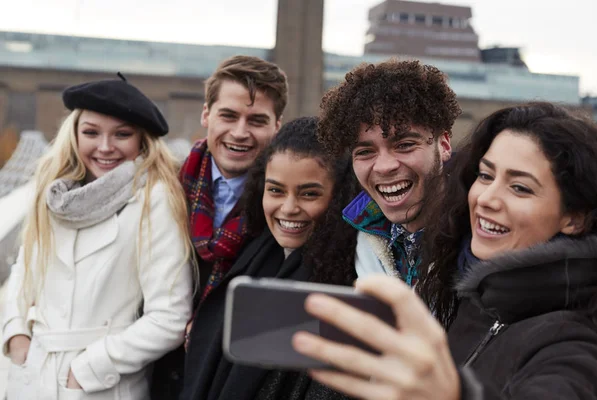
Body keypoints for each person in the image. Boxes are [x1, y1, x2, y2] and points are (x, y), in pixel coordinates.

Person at [292, 102, 597, 399]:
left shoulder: (577, 342)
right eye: (486, 175)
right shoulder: (465, 294)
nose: (486, 199)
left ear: (575, 217)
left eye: (520, 187)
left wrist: (453, 394)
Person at [2, 74, 193, 399]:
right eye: (91, 132)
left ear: (141, 141)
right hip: (30, 380)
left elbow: (170, 316)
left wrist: (88, 368)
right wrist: (15, 334)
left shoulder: (153, 200)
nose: (105, 147)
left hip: (102, 386)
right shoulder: (52, 195)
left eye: (122, 134)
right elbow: (22, 275)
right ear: (74, 135)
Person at [181, 117, 360, 400]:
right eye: (275, 190)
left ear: (338, 197)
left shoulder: (345, 283)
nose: (288, 208)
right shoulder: (254, 252)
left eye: (309, 194)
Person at [150, 55, 288, 399]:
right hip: (153, 373)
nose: (240, 133)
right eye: (228, 115)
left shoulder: (290, 209)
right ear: (206, 115)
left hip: (229, 378)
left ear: (277, 127)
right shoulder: (163, 187)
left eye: (257, 120)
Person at [317, 59, 460, 285]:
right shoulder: (359, 236)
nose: (384, 166)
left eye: (404, 145)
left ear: (443, 145)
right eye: (365, 152)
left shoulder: (479, 241)